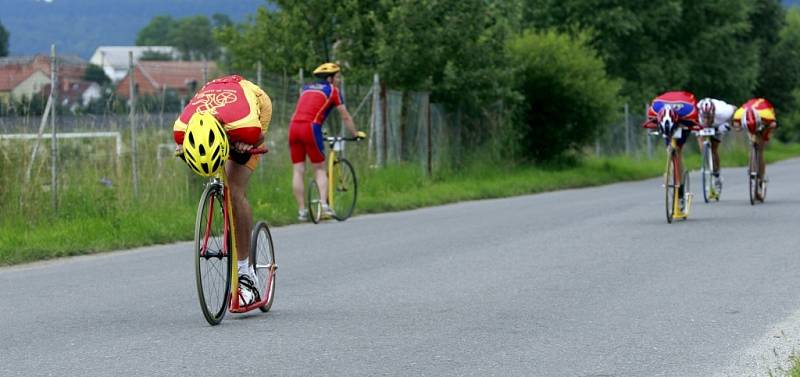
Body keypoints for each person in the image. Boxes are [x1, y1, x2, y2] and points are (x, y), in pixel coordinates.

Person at [174, 74, 272, 306]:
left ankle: (246, 273)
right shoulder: (181, 128)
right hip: (214, 108)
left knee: (236, 189)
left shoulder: (246, 126)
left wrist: (249, 146)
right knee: (216, 166)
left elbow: (259, 138)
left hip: (250, 107)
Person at [288, 62, 364, 221]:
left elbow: (306, 109)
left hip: (294, 127)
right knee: (319, 168)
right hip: (311, 127)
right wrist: (355, 133)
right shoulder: (333, 91)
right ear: (330, 78)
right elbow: (345, 116)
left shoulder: (306, 89)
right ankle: (323, 205)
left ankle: (302, 211)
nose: (339, 80)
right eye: (337, 77)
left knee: (298, 169)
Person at [642, 91, 700, 216]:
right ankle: (671, 160)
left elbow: (696, 123)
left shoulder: (688, 111)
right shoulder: (655, 109)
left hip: (684, 117)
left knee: (678, 150)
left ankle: (681, 190)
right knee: (670, 146)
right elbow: (650, 123)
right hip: (666, 115)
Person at [732, 98, 778, 200]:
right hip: (750, 119)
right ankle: (752, 166)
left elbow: (773, 123)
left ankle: (761, 178)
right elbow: (735, 124)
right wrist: (738, 127)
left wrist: (769, 127)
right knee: (752, 140)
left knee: (760, 148)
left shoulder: (767, 114)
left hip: (763, 122)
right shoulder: (739, 113)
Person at [696, 98, 737, 193]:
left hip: (718, 125)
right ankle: (706, 161)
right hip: (701, 126)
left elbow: (735, 110)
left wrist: (728, 126)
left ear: (713, 113)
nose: (706, 120)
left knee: (714, 149)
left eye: (708, 117)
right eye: (704, 117)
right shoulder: (696, 111)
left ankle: (717, 175)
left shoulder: (723, 111)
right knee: (702, 145)